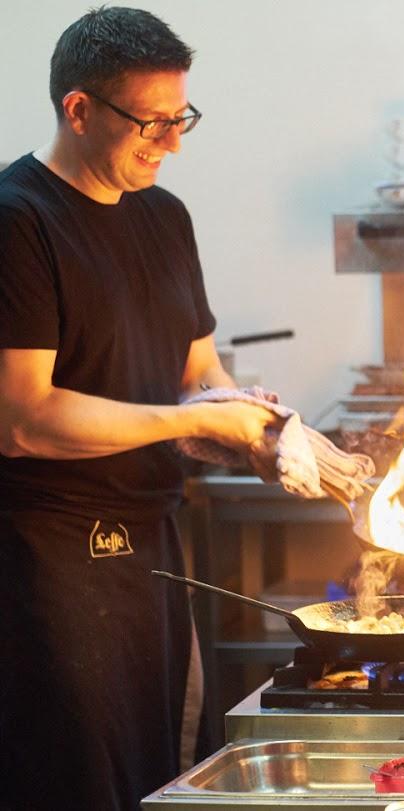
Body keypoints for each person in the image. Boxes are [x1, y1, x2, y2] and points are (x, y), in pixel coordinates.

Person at [0, 7, 286, 809]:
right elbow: (24, 418)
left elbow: (198, 371)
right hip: (48, 555)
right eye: (151, 122)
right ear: (78, 109)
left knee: (159, 772)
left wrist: (250, 423)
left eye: (180, 118)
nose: (172, 142)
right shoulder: (19, 221)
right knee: (77, 777)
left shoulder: (165, 217)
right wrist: (196, 419)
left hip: (152, 542)